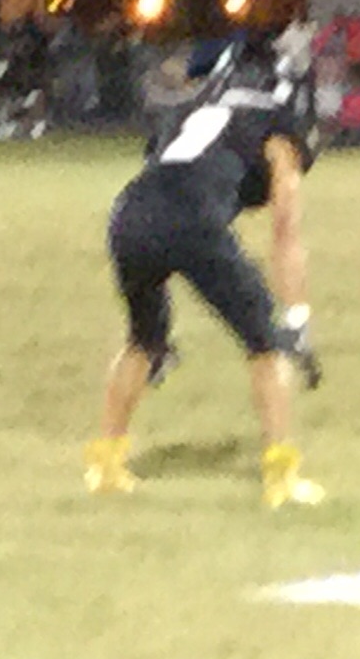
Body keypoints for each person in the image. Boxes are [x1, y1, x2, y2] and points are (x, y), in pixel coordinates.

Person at [85, 34, 327, 509]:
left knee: (143, 339)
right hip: (192, 219)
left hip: (129, 213)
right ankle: (281, 477)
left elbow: (161, 169)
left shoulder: (190, 111)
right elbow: (286, 231)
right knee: (265, 344)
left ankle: (106, 466)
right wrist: (297, 317)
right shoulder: (277, 127)